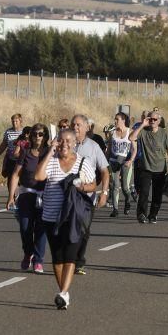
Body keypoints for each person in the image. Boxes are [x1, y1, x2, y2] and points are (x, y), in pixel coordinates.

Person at [34, 129, 97, 309]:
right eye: (61, 141)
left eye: (68, 141)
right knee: (57, 258)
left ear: (75, 143)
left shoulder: (83, 163)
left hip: (73, 218)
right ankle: (64, 292)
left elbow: (93, 184)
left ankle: (62, 293)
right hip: (51, 217)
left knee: (69, 256)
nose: (64, 144)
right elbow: (38, 176)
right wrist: (49, 152)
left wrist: (82, 187)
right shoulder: (51, 161)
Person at [6, 124, 50, 274]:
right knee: (25, 227)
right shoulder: (25, 152)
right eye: (35, 134)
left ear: (45, 136)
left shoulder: (50, 153)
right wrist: (11, 196)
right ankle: (28, 252)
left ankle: (38, 260)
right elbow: (15, 174)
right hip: (26, 194)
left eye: (41, 134)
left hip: (44, 196)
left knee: (41, 229)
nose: (37, 137)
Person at [70, 114, 110, 275]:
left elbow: (105, 172)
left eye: (79, 125)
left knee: (83, 230)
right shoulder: (66, 145)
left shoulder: (94, 146)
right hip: (68, 195)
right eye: (73, 124)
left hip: (87, 196)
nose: (75, 127)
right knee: (67, 228)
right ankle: (68, 258)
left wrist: (104, 193)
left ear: (87, 128)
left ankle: (78, 261)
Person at [129, 110, 168, 223]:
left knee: (157, 194)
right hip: (146, 168)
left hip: (160, 169)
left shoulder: (164, 133)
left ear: (159, 121)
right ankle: (141, 214)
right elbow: (131, 138)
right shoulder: (143, 131)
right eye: (150, 119)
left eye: (155, 119)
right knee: (144, 192)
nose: (152, 121)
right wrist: (142, 125)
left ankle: (153, 215)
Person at [106, 112, 136, 217]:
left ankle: (128, 201)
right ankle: (115, 209)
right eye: (115, 119)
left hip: (125, 161)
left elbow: (134, 149)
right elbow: (109, 149)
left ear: (123, 120)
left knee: (125, 187)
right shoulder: (112, 133)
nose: (115, 121)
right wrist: (105, 163)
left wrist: (130, 160)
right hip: (113, 161)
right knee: (115, 186)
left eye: (117, 119)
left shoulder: (130, 132)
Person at [0, 113, 23, 181]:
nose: (14, 123)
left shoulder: (24, 132)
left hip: (21, 158)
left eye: (16, 121)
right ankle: (12, 192)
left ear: (20, 121)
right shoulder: (8, 132)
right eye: (13, 121)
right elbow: (4, 145)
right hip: (10, 158)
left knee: (21, 179)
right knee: (10, 178)